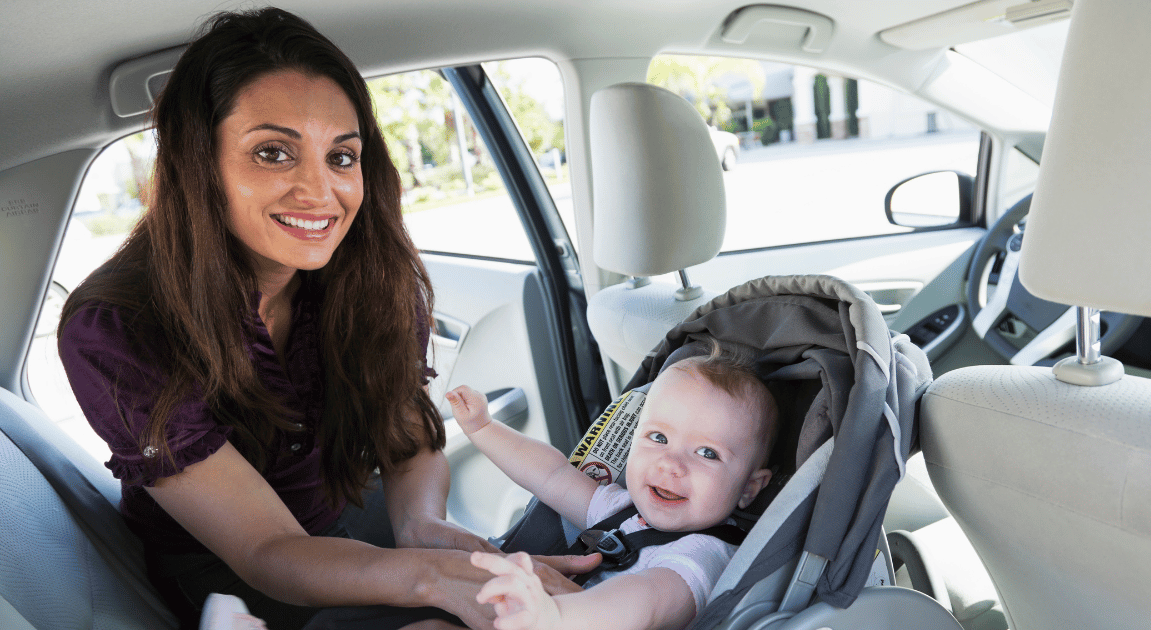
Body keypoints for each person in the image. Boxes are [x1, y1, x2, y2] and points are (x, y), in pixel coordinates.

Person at [56, 8, 594, 630]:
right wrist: (433, 577)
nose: (320, 191)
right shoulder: (115, 328)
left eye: (342, 157)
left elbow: (406, 437)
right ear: (197, 162)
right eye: (273, 152)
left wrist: (422, 525)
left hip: (340, 524)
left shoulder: (371, 273)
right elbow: (265, 552)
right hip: (230, 578)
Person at [443, 349, 778, 630]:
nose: (671, 464)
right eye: (658, 438)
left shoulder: (705, 554)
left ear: (749, 488)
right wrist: (484, 428)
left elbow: (647, 600)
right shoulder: (622, 508)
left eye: (707, 453)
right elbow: (551, 475)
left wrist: (556, 616)